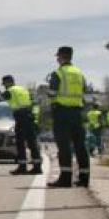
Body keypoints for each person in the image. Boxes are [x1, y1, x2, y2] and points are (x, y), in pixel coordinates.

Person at [47, 46, 89, 187]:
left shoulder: (58, 73)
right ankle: (84, 178)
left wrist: (51, 97)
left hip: (62, 113)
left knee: (64, 146)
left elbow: (52, 93)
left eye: (58, 56)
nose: (57, 59)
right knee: (80, 146)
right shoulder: (79, 73)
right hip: (77, 113)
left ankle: (65, 179)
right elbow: (84, 90)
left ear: (61, 57)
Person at [2, 75, 41, 175]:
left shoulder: (10, 91)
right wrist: (36, 120)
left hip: (20, 116)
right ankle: (37, 167)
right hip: (29, 116)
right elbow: (35, 104)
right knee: (32, 143)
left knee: (20, 143)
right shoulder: (24, 90)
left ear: (8, 82)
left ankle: (22, 167)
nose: (4, 86)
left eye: (4, 84)